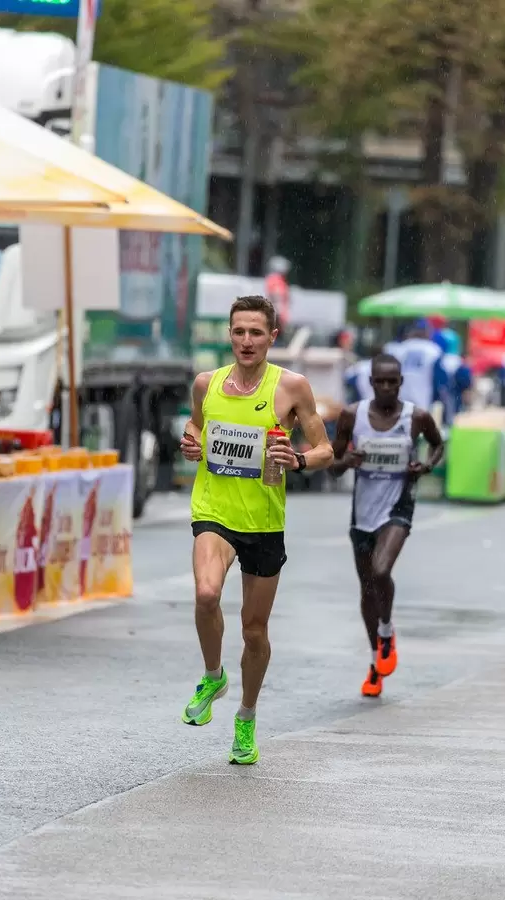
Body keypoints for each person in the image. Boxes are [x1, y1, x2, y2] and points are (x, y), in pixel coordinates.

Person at [179, 294, 333, 764]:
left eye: (256, 333)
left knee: (254, 631)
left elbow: (325, 448)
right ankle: (212, 674)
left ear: (272, 337)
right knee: (206, 594)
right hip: (214, 509)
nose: (246, 341)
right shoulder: (207, 384)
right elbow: (196, 426)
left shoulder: (292, 387)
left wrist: (300, 459)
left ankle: (246, 716)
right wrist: (190, 441)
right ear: (229, 335)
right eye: (239, 332)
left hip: (264, 521)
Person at [331, 353, 444, 698]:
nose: (385, 387)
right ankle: (375, 663)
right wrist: (346, 460)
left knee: (381, 571)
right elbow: (332, 465)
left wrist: (425, 467)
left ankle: (386, 629)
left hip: (398, 506)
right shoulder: (352, 415)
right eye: (379, 381)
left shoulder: (416, 418)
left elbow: (439, 445)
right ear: (371, 383)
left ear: (400, 383)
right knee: (367, 588)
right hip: (362, 511)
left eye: (391, 381)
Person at [391, 319, 448, 411]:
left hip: (400, 395)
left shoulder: (399, 349)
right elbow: (440, 378)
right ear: (426, 332)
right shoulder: (433, 349)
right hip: (423, 397)